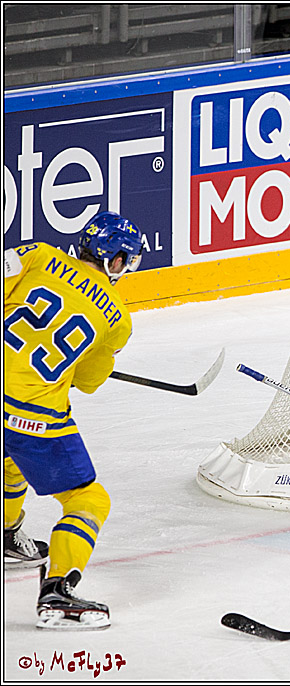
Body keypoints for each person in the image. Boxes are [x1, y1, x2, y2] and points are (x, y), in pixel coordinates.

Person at [4, 211, 143, 631]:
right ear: (116, 262)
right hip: (30, 417)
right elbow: (87, 382)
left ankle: (7, 533)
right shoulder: (117, 320)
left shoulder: (37, 254)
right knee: (89, 501)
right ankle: (58, 592)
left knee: (10, 461)